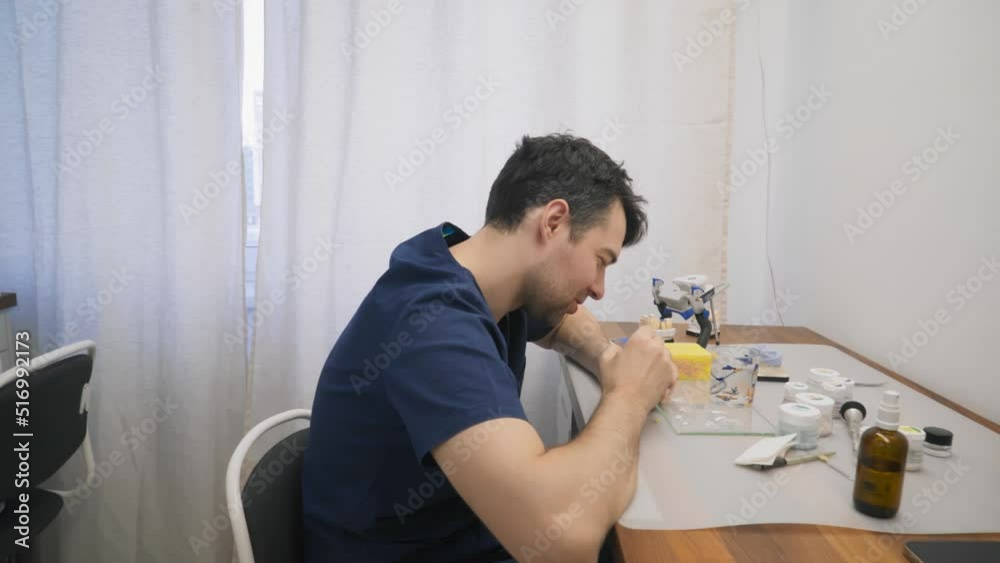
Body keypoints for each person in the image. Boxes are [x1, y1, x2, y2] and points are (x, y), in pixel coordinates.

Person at [302, 134, 678, 563]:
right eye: (600, 259)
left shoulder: (478, 276)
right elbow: (563, 542)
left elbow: (561, 322)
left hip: (461, 537)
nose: (598, 288)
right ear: (554, 222)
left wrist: (608, 358)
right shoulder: (432, 323)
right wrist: (629, 395)